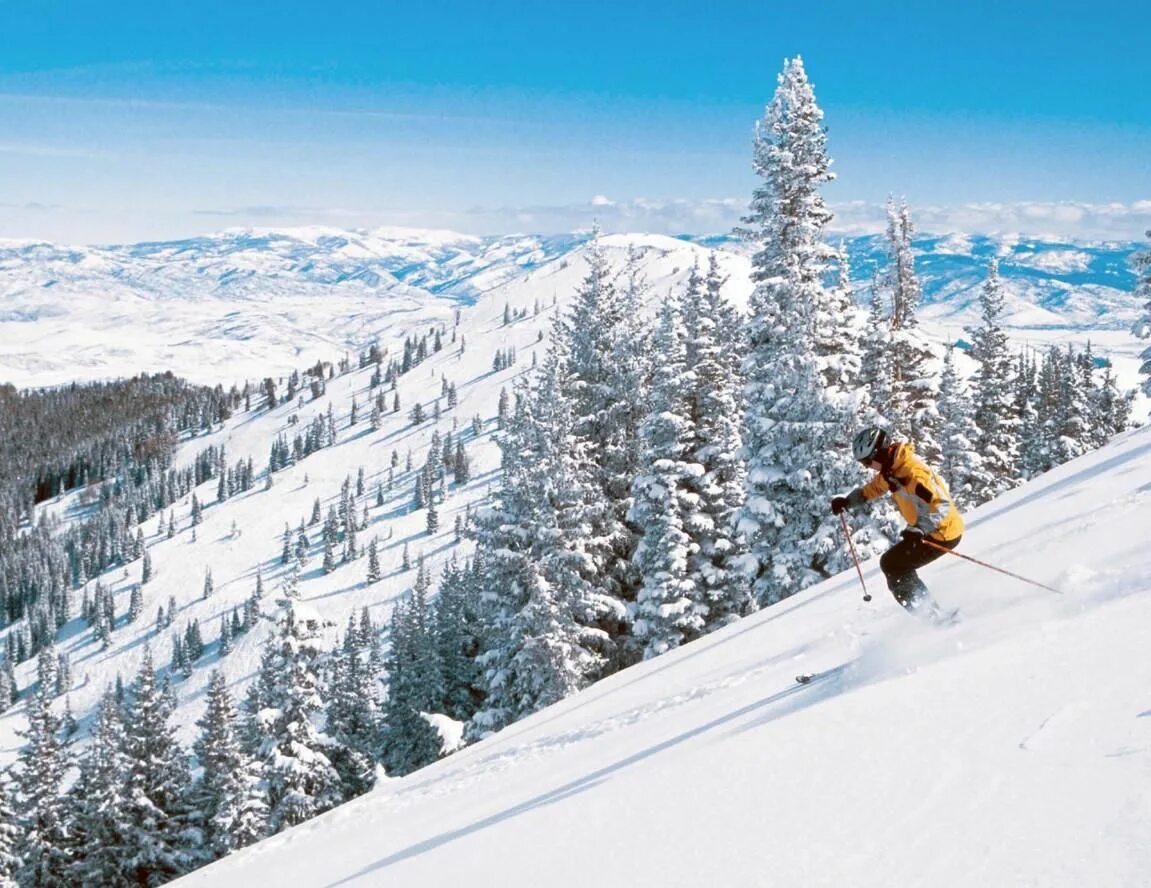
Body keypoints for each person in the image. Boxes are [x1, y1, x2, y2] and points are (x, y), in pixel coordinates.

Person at [831, 427, 964, 620]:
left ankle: (931, 615)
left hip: (941, 533)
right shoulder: (893, 468)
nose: (867, 467)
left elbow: (940, 505)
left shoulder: (912, 473)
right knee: (894, 564)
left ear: (879, 453)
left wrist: (919, 529)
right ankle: (931, 613)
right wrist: (848, 501)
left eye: (868, 461)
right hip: (931, 531)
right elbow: (875, 488)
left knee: (893, 565)